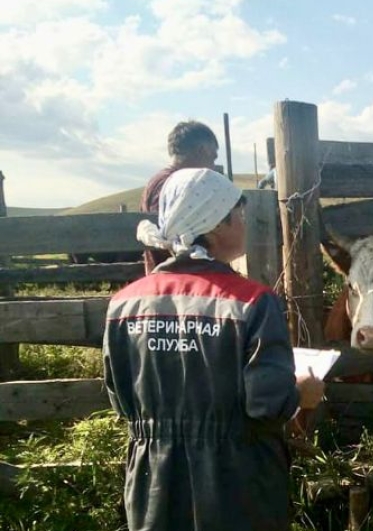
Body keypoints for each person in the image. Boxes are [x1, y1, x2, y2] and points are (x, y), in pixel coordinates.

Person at [104, 168, 325, 531]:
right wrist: (303, 393)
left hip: (153, 478)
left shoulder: (124, 304)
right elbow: (266, 405)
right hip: (238, 481)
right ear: (216, 225)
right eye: (238, 215)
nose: (244, 222)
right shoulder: (253, 302)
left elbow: (120, 399)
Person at [140, 120, 220, 274]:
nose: (213, 166)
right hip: (177, 278)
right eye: (213, 157)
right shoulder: (173, 185)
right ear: (201, 150)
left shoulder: (161, 181)